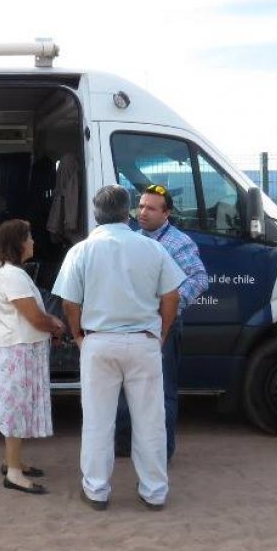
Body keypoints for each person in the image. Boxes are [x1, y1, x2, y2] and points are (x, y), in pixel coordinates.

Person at [52, 185, 184, 511]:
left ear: (96, 213)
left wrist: (79, 335)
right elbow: (172, 296)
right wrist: (161, 332)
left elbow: (69, 301)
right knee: (150, 421)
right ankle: (154, 491)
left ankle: (96, 490)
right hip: (144, 341)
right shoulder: (153, 248)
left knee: (98, 421)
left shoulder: (81, 251)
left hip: (98, 341)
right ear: (128, 212)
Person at [116, 184, 208, 461]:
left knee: (162, 390)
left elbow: (199, 279)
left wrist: (169, 304)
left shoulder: (178, 243)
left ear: (166, 213)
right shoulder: (132, 239)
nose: (143, 212)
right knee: (126, 388)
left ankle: (161, 452)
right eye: (141, 206)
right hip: (133, 324)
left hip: (163, 325)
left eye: (151, 208)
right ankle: (124, 445)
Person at [0, 219, 66, 495]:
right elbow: (34, 317)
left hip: (16, 348)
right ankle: (14, 473)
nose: (33, 241)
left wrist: (50, 323)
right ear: (19, 243)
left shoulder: (3, 271)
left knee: (14, 408)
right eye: (29, 237)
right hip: (19, 351)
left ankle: (13, 461)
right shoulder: (13, 275)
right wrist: (56, 325)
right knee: (16, 411)